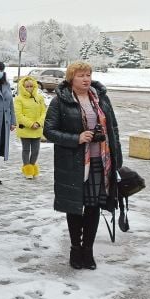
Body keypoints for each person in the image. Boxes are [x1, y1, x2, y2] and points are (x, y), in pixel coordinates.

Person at [44, 61, 122, 270]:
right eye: (80, 75)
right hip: (74, 163)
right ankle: (75, 249)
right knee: (75, 207)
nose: (86, 79)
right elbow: (49, 131)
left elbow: (113, 128)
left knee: (94, 206)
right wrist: (76, 138)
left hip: (100, 160)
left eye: (88, 74)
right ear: (71, 79)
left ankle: (88, 250)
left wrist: (117, 159)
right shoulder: (60, 101)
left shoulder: (101, 98)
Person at [14, 76, 47, 179]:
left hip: (37, 128)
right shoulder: (19, 99)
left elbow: (44, 112)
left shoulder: (39, 98)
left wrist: (38, 123)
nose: (29, 88)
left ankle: (32, 166)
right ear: (23, 87)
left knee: (36, 150)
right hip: (25, 129)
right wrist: (31, 124)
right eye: (27, 86)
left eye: (31, 86)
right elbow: (19, 115)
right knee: (26, 150)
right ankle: (27, 169)